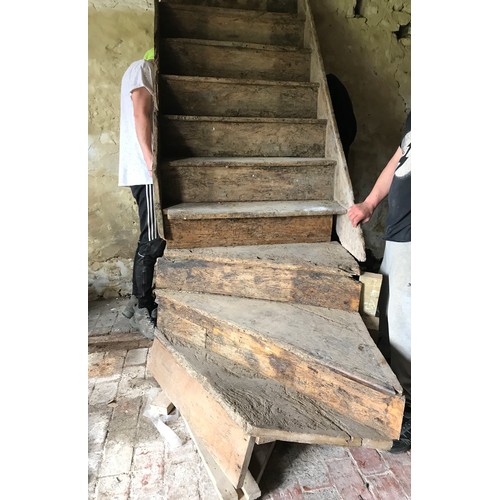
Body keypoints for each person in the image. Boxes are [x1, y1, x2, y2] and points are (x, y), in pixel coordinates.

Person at [347, 112, 411, 453]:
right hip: (400, 234)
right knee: (391, 318)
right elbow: (401, 154)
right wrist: (370, 202)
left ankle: (409, 424)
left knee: (408, 333)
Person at [118, 48, 166, 339]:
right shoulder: (144, 68)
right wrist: (151, 162)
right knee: (152, 240)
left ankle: (136, 298)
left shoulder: (138, 69)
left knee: (152, 237)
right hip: (145, 171)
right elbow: (141, 111)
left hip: (143, 170)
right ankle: (143, 309)